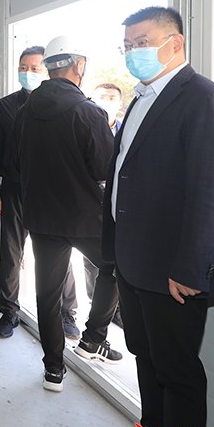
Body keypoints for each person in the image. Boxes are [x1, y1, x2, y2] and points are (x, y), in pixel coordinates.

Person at [93, 7, 214, 427]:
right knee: (146, 360)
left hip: (174, 272)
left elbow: (212, 196)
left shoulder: (206, 101)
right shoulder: (141, 100)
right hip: (135, 262)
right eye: (127, 46)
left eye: (141, 43)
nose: (132, 53)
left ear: (174, 44)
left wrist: (190, 269)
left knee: (177, 375)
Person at [14, 35, 123, 393]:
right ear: (79, 65)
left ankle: (53, 370)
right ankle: (93, 338)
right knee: (116, 268)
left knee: (48, 295)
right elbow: (105, 168)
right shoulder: (88, 112)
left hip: (42, 219)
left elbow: (19, 162)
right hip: (85, 218)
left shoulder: (25, 112)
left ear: (48, 67)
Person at [0, 46, 81, 340]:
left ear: (47, 71)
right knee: (11, 254)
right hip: (15, 190)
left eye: (35, 68)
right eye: (23, 67)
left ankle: (66, 313)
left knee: (57, 255)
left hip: (51, 194)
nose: (28, 73)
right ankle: (9, 311)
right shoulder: (5, 107)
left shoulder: (63, 105)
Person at [81, 83, 126, 328]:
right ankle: (94, 304)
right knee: (94, 261)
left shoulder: (126, 129)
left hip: (120, 204)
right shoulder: (85, 125)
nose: (106, 102)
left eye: (112, 98)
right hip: (91, 204)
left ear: (119, 103)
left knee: (118, 261)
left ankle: (115, 310)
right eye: (102, 97)